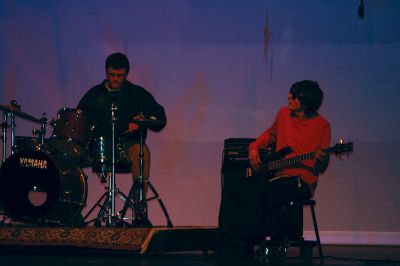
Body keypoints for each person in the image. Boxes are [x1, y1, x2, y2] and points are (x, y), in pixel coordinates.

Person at [218, 80, 330, 258]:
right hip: (276, 175)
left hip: (300, 182)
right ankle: (226, 242)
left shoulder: (322, 126)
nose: (289, 96)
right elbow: (270, 134)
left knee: (261, 191)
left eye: (294, 95)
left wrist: (322, 158)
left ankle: (246, 244)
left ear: (306, 102)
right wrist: (254, 147)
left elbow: (321, 166)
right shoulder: (284, 114)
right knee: (234, 188)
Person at [77, 52, 166, 223]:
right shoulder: (94, 95)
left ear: (126, 74)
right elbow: (80, 120)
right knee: (70, 156)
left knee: (141, 152)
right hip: (98, 148)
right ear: (106, 73)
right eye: (112, 75)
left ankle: (139, 209)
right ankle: (72, 210)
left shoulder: (137, 94)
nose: (116, 79)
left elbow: (160, 118)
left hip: (126, 146)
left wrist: (141, 122)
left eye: (120, 75)